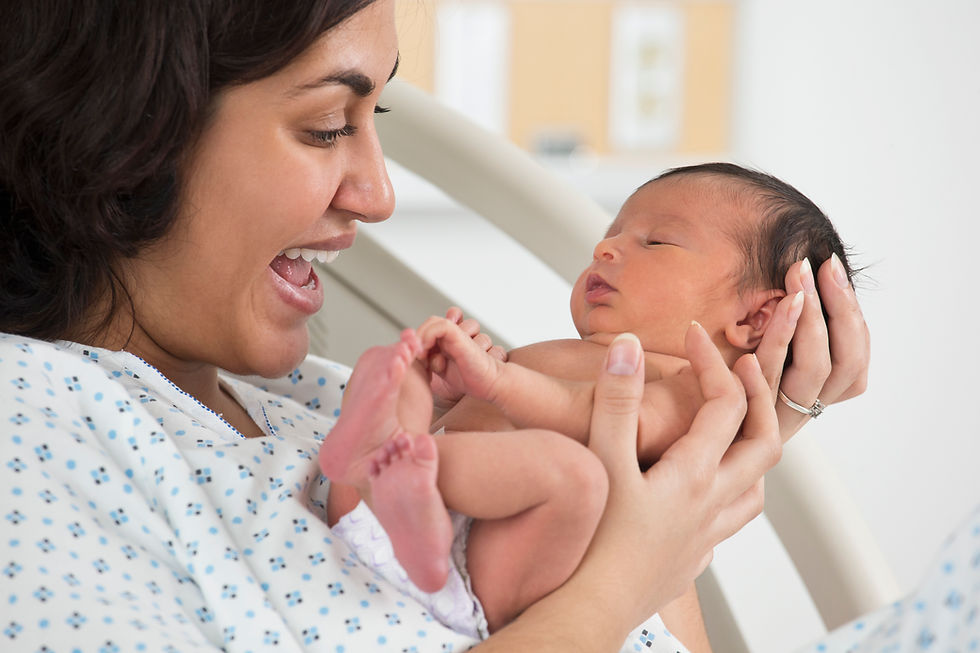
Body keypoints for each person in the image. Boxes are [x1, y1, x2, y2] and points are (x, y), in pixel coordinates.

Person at [0, 1, 870, 651]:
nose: (378, 195)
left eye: (369, 124)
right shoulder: (34, 424)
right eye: (324, 126)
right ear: (128, 129)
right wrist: (624, 576)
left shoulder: (314, 397)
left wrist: (742, 425)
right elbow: (621, 585)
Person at [320, 163, 856, 639]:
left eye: (657, 242)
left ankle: (403, 467)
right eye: (613, 233)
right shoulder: (567, 356)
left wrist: (499, 383)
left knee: (571, 474)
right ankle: (383, 456)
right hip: (394, 527)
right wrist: (450, 398)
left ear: (751, 320)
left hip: (484, 576)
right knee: (404, 369)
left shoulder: (696, 392)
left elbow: (597, 421)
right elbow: (496, 425)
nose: (606, 248)